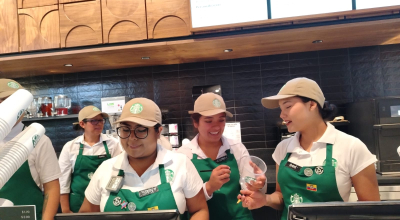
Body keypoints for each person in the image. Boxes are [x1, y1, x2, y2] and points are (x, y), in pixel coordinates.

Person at [238, 77, 380, 220]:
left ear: (311, 104)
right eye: (281, 109)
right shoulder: (283, 148)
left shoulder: (351, 147)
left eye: (288, 107)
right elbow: (281, 197)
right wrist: (265, 199)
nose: (282, 114)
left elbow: (371, 209)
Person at [79, 98, 209, 219]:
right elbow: (86, 214)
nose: (132, 137)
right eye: (125, 129)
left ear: (158, 132)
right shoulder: (106, 169)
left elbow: (199, 210)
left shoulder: (180, 164)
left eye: (141, 130)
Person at [178, 93, 267, 220]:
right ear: (195, 122)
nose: (216, 126)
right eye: (209, 121)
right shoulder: (183, 155)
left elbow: (250, 187)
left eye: (221, 120)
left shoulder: (236, 148)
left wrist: (257, 185)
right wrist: (209, 187)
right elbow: (181, 202)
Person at [0, 79, 61, 220]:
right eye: (4, 101)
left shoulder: (39, 140)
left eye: (18, 102)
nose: (14, 108)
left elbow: (51, 188)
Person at [59, 106, 122, 213]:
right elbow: (63, 181)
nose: (99, 123)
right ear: (82, 124)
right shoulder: (70, 147)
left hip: (104, 200)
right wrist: (65, 210)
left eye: (101, 120)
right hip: (77, 202)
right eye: (94, 121)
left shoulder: (113, 144)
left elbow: (118, 174)